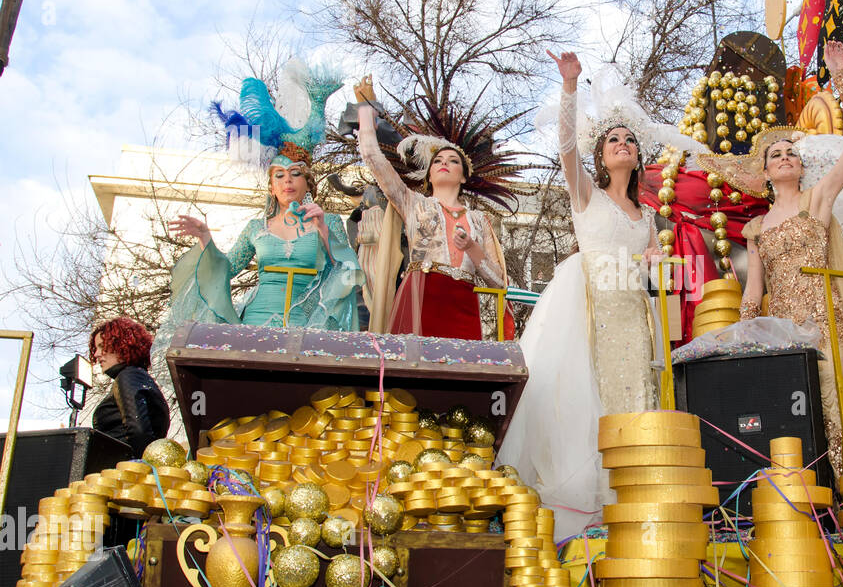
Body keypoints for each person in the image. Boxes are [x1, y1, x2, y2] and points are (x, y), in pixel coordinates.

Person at [498, 52, 669, 541]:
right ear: (602, 155)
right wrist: (569, 87)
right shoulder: (585, 194)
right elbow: (567, 147)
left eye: (629, 140)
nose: (622, 144)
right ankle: (583, 508)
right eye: (613, 139)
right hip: (587, 307)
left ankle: (629, 497)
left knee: (633, 393)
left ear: (637, 156)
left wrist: (654, 264)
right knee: (581, 398)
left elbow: (653, 264)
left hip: (632, 315)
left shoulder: (648, 217)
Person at [739, 41, 843, 474]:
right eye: (774, 154)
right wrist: (744, 341)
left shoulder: (818, 199)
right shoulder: (756, 229)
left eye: (790, 152)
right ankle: (811, 510)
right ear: (764, 173)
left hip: (829, 326)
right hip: (784, 336)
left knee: (841, 403)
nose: (784, 157)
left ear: (801, 165)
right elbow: (754, 290)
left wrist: (842, 74)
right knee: (794, 419)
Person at [352, 78, 512, 339]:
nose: (444, 163)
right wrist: (365, 111)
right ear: (428, 174)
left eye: (453, 160)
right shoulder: (413, 202)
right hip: (420, 298)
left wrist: (472, 248)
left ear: (464, 176)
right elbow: (372, 156)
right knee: (415, 372)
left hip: (463, 305)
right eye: (437, 160)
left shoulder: (479, 219)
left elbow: (498, 282)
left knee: (460, 374)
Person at [166, 149, 364, 330]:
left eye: (295, 174)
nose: (287, 181)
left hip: (309, 321)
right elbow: (228, 269)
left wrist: (322, 229)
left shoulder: (328, 221)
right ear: (272, 188)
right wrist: (205, 239)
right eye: (279, 175)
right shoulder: (255, 228)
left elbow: (346, 271)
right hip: (257, 320)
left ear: (308, 184)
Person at [88, 317, 170, 458]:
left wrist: (137, 470)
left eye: (102, 346)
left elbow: (139, 432)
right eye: (96, 348)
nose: (96, 354)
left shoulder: (128, 376)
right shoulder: (139, 378)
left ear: (122, 345)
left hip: (122, 472)